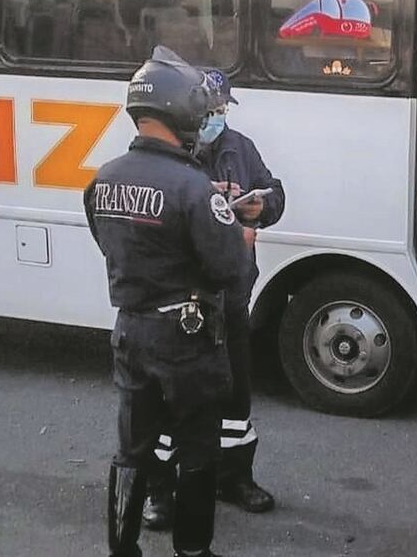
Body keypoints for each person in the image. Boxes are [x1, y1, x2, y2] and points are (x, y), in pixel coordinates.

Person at [84, 46, 254, 557]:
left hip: (130, 331)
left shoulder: (103, 179)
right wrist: (241, 238)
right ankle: (192, 550)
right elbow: (229, 269)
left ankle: (123, 548)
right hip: (187, 338)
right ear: (180, 110)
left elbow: (109, 243)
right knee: (196, 449)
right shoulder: (194, 188)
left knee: (132, 450)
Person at [142, 69, 284, 530]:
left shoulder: (240, 147)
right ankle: (161, 492)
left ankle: (234, 478)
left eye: (224, 110)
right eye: (211, 111)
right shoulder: (170, 154)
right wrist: (213, 201)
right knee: (170, 400)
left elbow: (274, 191)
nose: (217, 118)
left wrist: (264, 207)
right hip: (185, 302)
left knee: (235, 396)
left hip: (232, 297)